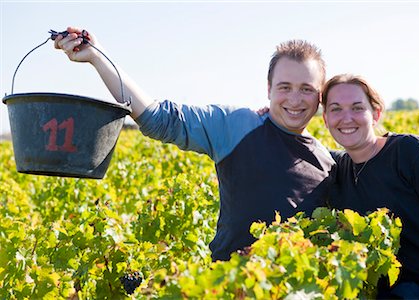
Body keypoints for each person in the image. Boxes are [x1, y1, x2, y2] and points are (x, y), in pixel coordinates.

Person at [54, 27, 335, 261]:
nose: (295, 99)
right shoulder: (235, 125)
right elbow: (157, 117)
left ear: (319, 97)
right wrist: (98, 58)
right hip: (227, 286)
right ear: (269, 89)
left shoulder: (329, 163)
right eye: (284, 87)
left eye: (306, 89)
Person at [321, 73, 419, 299]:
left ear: (376, 114)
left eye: (357, 107)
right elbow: (297, 145)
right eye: (336, 109)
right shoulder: (337, 168)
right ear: (325, 119)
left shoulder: (410, 152)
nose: (346, 118)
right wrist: (268, 119)